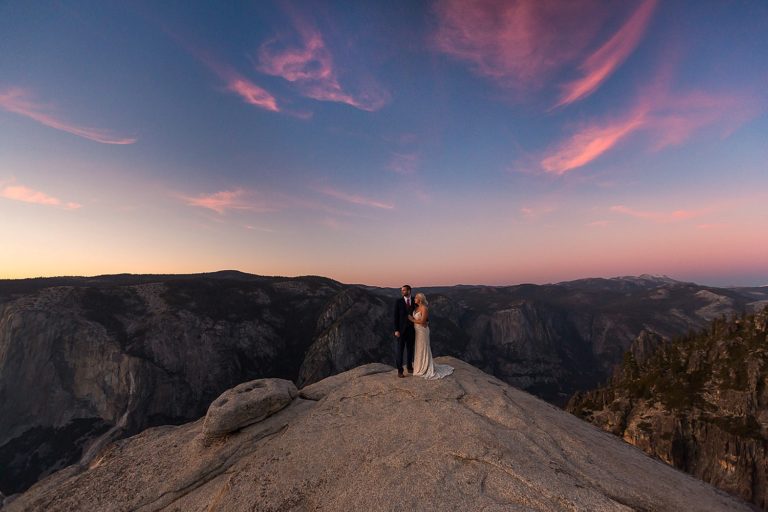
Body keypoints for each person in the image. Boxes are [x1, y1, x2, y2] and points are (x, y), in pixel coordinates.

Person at [409, 293, 454, 380]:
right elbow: (425, 321)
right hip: (417, 330)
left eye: (416, 298)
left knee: (423, 347)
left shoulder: (424, 308)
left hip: (422, 331)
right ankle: (420, 366)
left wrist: (412, 320)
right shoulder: (416, 308)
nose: (414, 299)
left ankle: (425, 366)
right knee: (418, 347)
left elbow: (422, 322)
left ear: (420, 299)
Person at [393, 285, 416, 378]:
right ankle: (400, 370)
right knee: (400, 351)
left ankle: (410, 367)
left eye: (404, 290)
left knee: (410, 349)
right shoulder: (398, 302)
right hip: (401, 331)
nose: (402, 291)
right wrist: (396, 330)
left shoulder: (415, 300)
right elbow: (395, 317)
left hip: (412, 330)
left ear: (409, 291)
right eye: (401, 290)